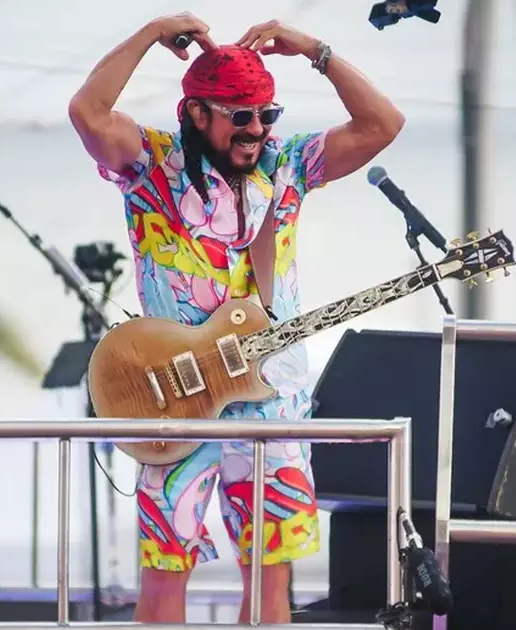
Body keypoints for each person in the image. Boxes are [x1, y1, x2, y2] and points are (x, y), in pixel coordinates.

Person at [68, 13, 404, 624]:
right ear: (197, 112)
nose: (256, 129)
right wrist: (149, 33)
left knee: (271, 592)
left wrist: (313, 50)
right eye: (239, 115)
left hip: (271, 401)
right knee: (165, 587)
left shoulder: (286, 168)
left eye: (266, 114)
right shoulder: (153, 165)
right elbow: (88, 113)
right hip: (175, 401)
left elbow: (384, 123)